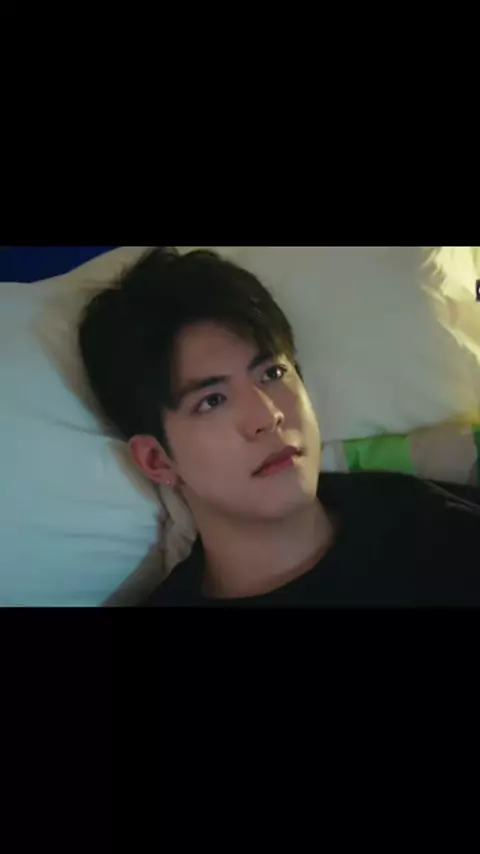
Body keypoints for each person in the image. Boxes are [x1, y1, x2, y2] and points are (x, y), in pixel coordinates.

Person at [78, 247, 480, 607]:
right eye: (212, 400)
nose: (267, 415)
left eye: (272, 373)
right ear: (157, 459)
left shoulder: (425, 522)